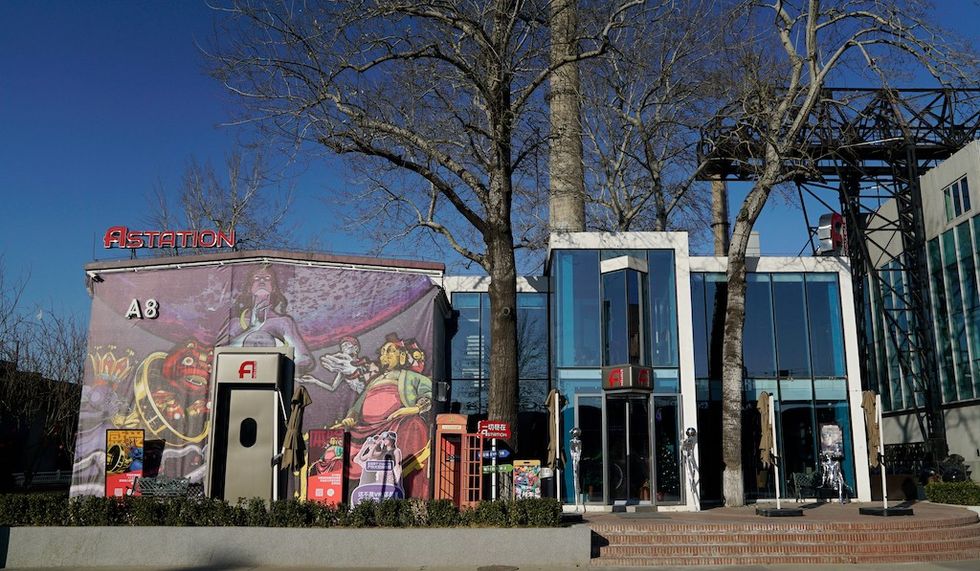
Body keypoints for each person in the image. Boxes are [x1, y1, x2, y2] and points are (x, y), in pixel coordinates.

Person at [334, 333, 431, 496]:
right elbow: (358, 406)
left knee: (413, 425)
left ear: (401, 355)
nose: (385, 355)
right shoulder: (374, 380)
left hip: (397, 424)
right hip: (366, 429)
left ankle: (407, 495)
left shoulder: (412, 377)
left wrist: (411, 409)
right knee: (342, 442)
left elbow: (429, 394)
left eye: (390, 351)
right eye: (383, 351)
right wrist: (350, 418)